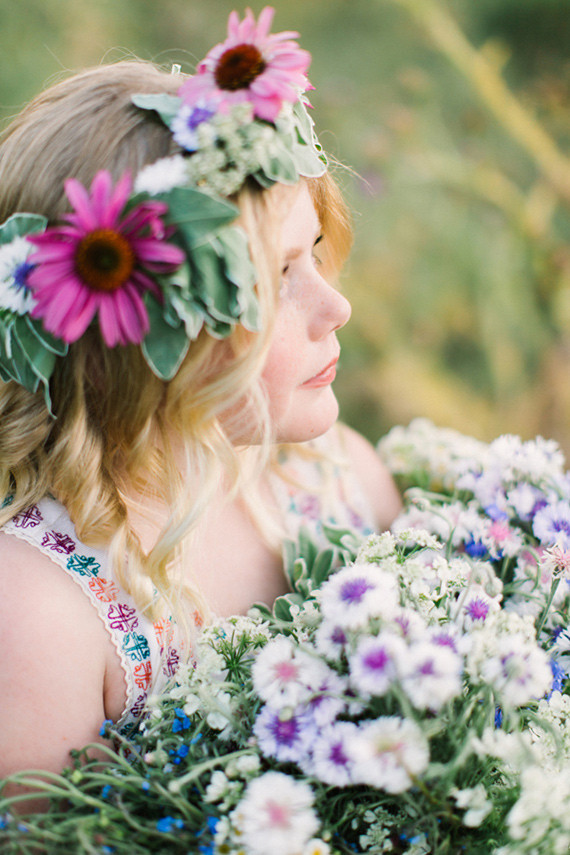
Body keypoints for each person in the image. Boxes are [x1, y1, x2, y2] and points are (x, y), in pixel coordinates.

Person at [0, 6, 401, 785]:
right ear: (139, 338)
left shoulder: (335, 476)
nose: (336, 306)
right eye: (275, 280)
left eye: (315, 253)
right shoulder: (41, 615)